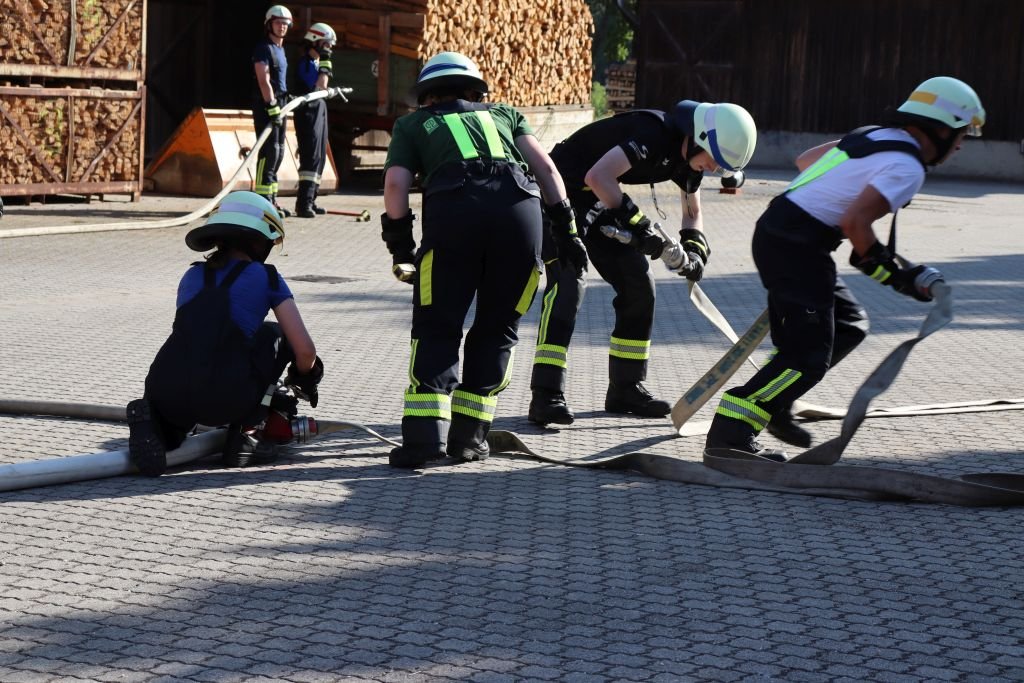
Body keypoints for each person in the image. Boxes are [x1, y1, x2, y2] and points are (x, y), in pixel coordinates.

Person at [704, 76, 985, 460]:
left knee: (849, 325)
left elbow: (805, 162)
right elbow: (856, 224)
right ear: (938, 129)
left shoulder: (873, 135)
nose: (960, 145)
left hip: (785, 234)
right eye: (961, 134)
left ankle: (777, 402)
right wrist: (898, 277)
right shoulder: (908, 167)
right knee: (806, 359)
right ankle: (730, 437)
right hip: (796, 246)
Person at [381, 51, 585, 469]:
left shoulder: (413, 124)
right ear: (476, 90)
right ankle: (470, 441)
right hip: (521, 220)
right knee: (498, 327)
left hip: (455, 220)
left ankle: (424, 443)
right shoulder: (506, 114)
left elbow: (394, 185)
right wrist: (567, 232)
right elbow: (546, 169)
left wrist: (401, 248)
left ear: (428, 96)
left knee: (438, 325)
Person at [527, 101, 757, 425]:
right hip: (558, 197)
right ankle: (546, 395)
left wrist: (695, 254)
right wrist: (640, 225)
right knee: (569, 283)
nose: (715, 170)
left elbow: (693, 212)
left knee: (639, 285)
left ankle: (626, 388)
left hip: (598, 201)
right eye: (715, 161)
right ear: (699, 137)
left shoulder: (691, 160)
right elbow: (598, 176)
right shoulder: (653, 133)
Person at [126, 191, 324, 476]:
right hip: (227, 398)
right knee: (277, 336)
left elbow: (202, 336)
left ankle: (154, 425)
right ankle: (247, 434)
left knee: (173, 426)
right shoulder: (266, 276)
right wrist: (305, 378)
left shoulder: (192, 275)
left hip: (165, 387)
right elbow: (305, 350)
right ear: (258, 240)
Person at [252, 5, 293, 217]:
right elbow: (263, 79)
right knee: (267, 151)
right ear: (269, 24)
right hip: (267, 105)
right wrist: (271, 105)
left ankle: (272, 200)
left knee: (278, 151)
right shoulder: (264, 48)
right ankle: (261, 199)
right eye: (278, 23)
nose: (282, 27)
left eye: (285, 24)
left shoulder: (281, 49)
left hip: (281, 102)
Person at [292, 22, 336, 218]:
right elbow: (319, 86)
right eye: (327, 44)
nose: (330, 49)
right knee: (310, 157)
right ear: (315, 42)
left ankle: (312, 199)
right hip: (307, 114)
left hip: (319, 110)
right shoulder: (305, 64)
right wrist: (326, 67)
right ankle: (303, 204)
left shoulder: (316, 64)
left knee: (319, 157)